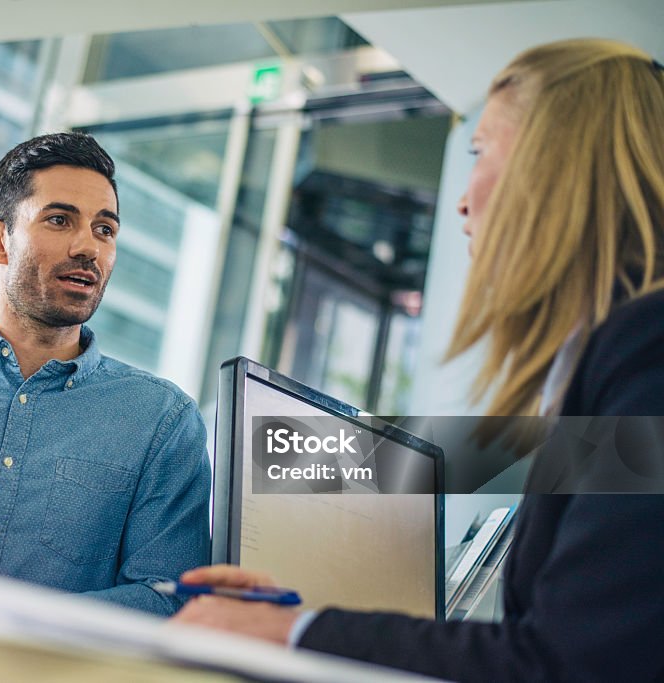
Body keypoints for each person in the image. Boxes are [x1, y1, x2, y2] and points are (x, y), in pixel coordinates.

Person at [173, 38, 664, 682]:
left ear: (554, 167)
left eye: (480, 154)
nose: (462, 201)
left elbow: (572, 663)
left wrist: (292, 631)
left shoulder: (645, 345)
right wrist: (301, 619)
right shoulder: (612, 357)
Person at [0, 132, 210, 615]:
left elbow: (168, 596)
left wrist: (14, 623)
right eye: (59, 220)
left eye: (104, 230)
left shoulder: (162, 421)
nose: (88, 247)